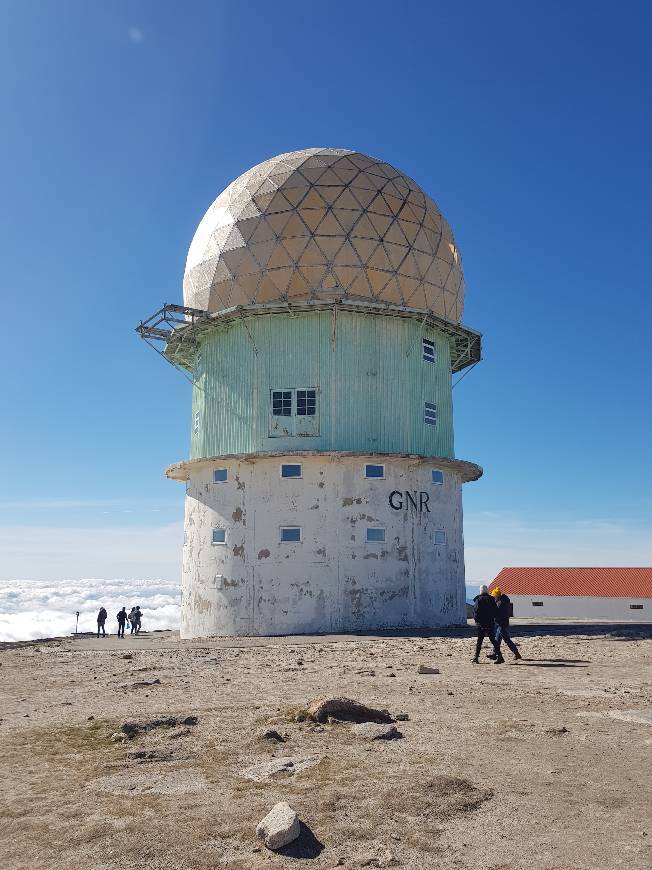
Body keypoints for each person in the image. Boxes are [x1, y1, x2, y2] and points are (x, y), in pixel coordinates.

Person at [488, 586, 522, 661]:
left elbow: (498, 614)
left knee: (506, 640)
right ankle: (494, 653)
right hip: (502, 623)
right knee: (497, 640)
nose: (494, 598)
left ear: (497, 596)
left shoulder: (500, 603)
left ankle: (516, 653)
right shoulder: (503, 601)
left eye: (494, 596)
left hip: (501, 623)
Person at [472, 585, 504, 664]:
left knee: (479, 641)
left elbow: (475, 612)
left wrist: (477, 621)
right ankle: (500, 656)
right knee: (493, 640)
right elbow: (496, 612)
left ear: (480, 591)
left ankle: (476, 657)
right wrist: (492, 619)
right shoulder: (491, 599)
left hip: (481, 624)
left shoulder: (478, 600)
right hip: (490, 623)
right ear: (487, 591)